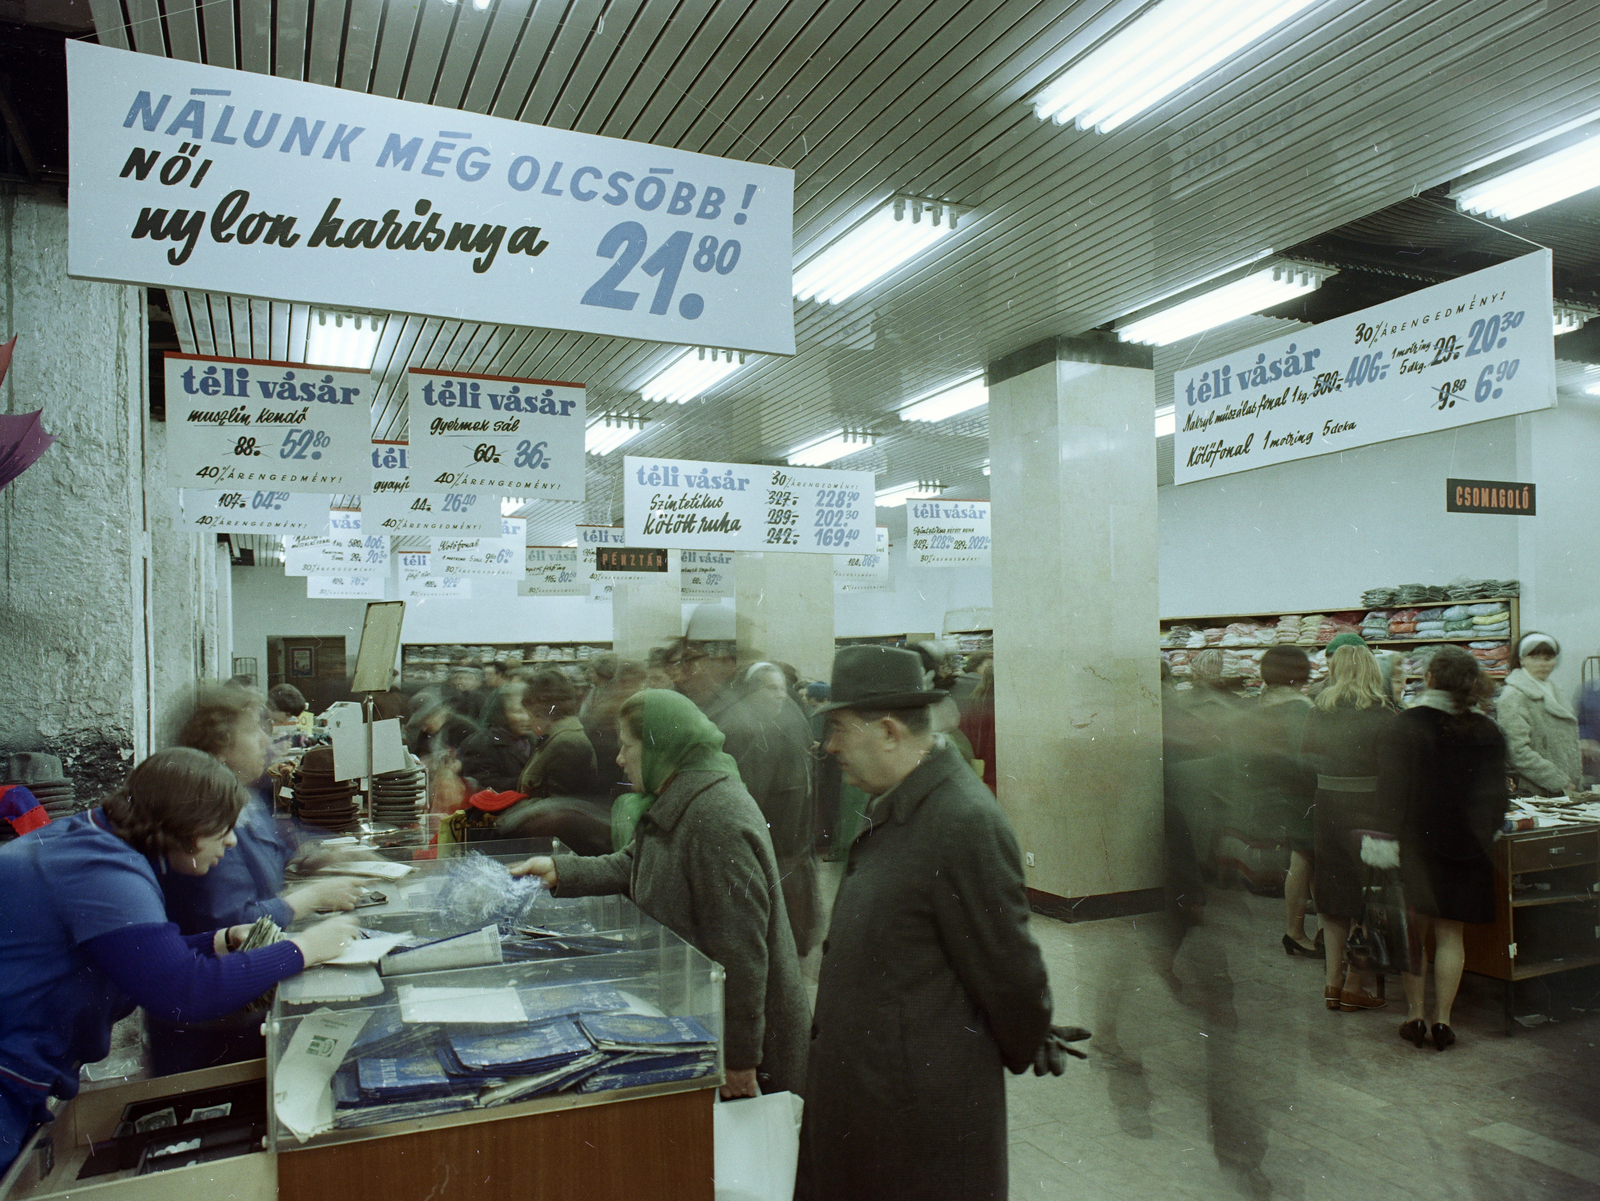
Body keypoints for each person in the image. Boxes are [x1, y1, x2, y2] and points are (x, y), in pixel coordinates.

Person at [0, 748, 355, 1174]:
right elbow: (184, 992)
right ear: (188, 823)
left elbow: (138, 956)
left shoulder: (95, 843)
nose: (230, 840)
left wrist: (219, 942)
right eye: (223, 827)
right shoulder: (105, 872)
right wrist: (305, 949)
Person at [798, 646, 1067, 1201]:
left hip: (913, 1118)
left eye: (841, 730)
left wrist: (1027, 1033)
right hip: (876, 1097)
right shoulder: (901, 801)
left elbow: (1010, 967)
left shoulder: (961, 820)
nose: (829, 747)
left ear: (890, 731)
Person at [509, 689, 809, 1100]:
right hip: (705, 1019)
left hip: (746, 1050)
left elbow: (742, 954)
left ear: (658, 747)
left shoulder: (714, 815)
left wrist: (740, 1061)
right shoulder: (679, 797)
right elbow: (633, 862)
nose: (619, 758)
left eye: (627, 746)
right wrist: (561, 870)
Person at [1382, 646, 1509, 1051]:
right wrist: (1484, 833)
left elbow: (1391, 792)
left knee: (1414, 933)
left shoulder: (1406, 724)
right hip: (1467, 845)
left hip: (1416, 844)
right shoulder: (1486, 729)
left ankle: (1414, 1015)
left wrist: (1383, 840)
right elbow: (1497, 796)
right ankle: (1444, 1021)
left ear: (1431, 678)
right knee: (1452, 934)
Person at [1301, 643, 1400, 1012]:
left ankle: (1331, 984)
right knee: (1370, 898)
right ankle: (1355, 986)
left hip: (1326, 807)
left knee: (1333, 895)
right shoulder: (1384, 716)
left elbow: (1305, 758)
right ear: (1374, 672)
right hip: (1370, 813)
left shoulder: (1318, 712)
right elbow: (1394, 775)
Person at [1230, 645, 1318, 956]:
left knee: (1305, 859)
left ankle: (1306, 930)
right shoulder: (1301, 711)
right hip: (1301, 796)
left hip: (1272, 797)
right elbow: (1307, 761)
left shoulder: (1257, 708)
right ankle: (1297, 931)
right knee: (1307, 858)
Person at [1496, 632, 1581, 796]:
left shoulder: (1554, 691)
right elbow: (1516, 751)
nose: (1542, 664)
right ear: (1522, 660)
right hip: (1538, 790)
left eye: (1548, 658)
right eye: (1534, 658)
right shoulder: (1514, 695)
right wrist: (1559, 781)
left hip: (1565, 788)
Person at [458, 679, 541, 794]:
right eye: (517, 711)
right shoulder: (480, 744)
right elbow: (486, 786)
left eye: (530, 711)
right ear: (501, 714)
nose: (526, 718)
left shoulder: (535, 740)